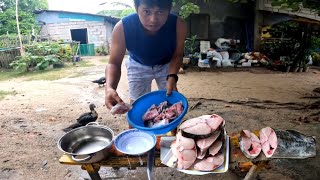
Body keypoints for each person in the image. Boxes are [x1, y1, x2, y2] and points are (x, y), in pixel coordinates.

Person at [104, 0, 187, 111]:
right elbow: (113, 63)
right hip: (137, 64)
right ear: (136, 7)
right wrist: (109, 88)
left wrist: (172, 76)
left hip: (166, 64)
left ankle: (173, 128)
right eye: (146, 11)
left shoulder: (178, 25)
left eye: (160, 12)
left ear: (169, 9)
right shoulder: (122, 27)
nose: (153, 20)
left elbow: (177, 55)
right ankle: (135, 129)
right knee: (137, 107)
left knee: (173, 102)